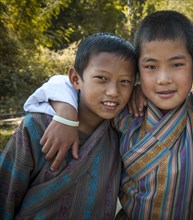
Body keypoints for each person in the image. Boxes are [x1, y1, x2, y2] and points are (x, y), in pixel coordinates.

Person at [24, 11, 193, 219]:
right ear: (137, 71)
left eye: (177, 65)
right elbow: (63, 83)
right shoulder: (123, 111)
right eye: (150, 67)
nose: (163, 79)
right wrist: (64, 114)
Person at [0, 33, 137, 219]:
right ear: (75, 79)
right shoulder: (37, 127)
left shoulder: (122, 131)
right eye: (101, 78)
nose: (113, 92)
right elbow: (6, 192)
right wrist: (66, 117)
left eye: (125, 82)